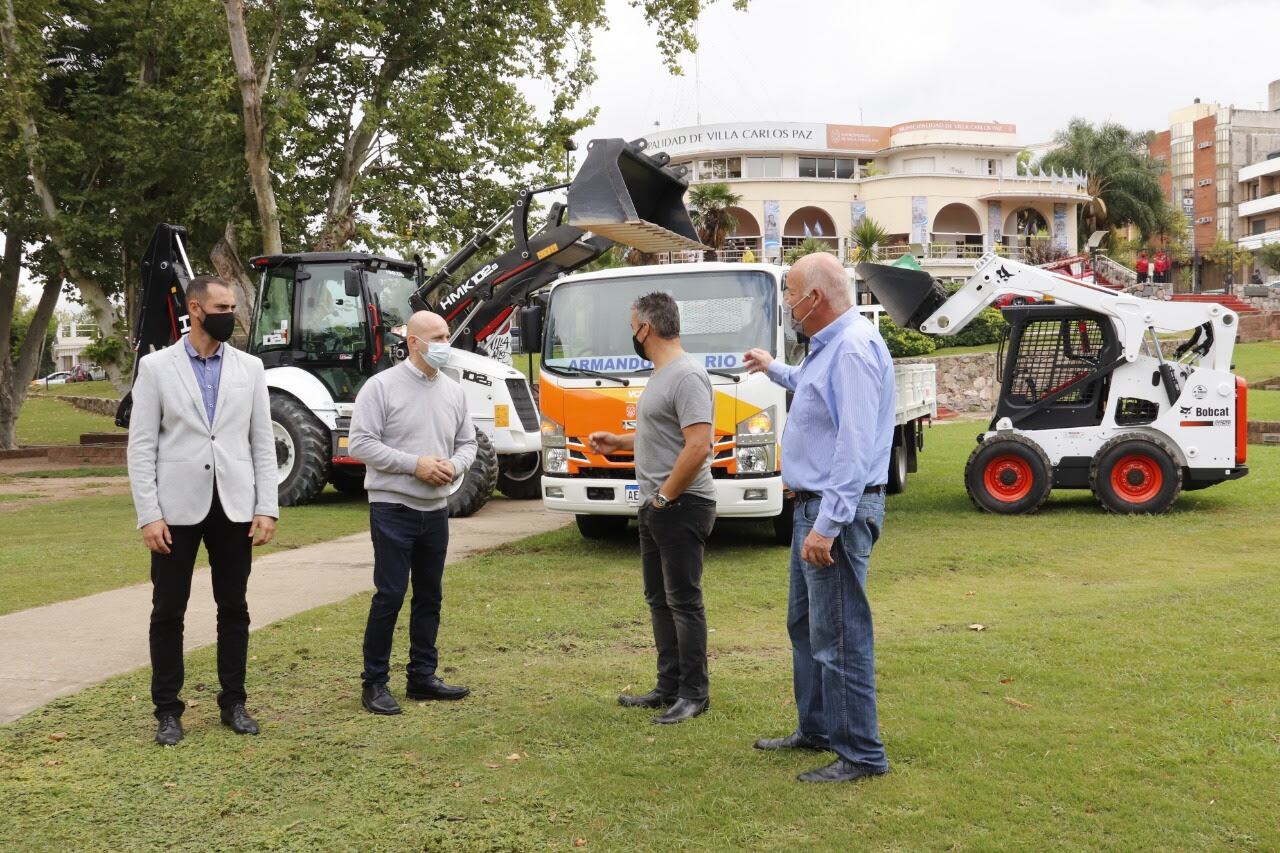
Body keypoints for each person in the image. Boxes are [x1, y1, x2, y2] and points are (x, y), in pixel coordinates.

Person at [744, 252, 895, 783]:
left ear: (814, 298)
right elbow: (813, 391)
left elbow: (853, 449)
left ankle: (861, 755)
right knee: (807, 627)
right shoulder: (828, 347)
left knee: (841, 636)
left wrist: (826, 527)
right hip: (815, 508)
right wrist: (772, 367)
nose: (786, 302)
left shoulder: (851, 349)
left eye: (789, 292)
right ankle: (819, 729)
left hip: (833, 512)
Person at [127, 274, 278, 746]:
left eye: (232, 307)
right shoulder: (156, 367)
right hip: (176, 509)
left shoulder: (250, 368)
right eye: (221, 306)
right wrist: (149, 514)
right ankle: (168, 711)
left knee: (234, 607)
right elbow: (142, 446)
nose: (229, 315)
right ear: (195, 308)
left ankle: (233, 702)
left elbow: (262, 443)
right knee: (168, 610)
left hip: (234, 506)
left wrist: (266, 506)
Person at [588, 292, 717, 725]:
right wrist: (619, 441)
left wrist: (665, 497)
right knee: (659, 600)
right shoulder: (662, 374)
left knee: (683, 600)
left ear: (647, 327)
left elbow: (699, 445)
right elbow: (667, 435)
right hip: (656, 503)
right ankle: (668, 687)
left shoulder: (686, 376)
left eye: (632, 325)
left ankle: (694, 693)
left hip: (681, 504)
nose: (631, 333)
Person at [348, 310, 477, 715]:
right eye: (437, 336)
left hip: (435, 510)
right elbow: (360, 445)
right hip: (392, 507)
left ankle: (422, 676)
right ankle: (375, 682)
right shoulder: (381, 387)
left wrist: (454, 467)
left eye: (447, 335)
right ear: (415, 342)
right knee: (389, 594)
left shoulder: (453, 391)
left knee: (430, 595)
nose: (446, 343)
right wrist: (414, 464)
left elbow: (469, 444)